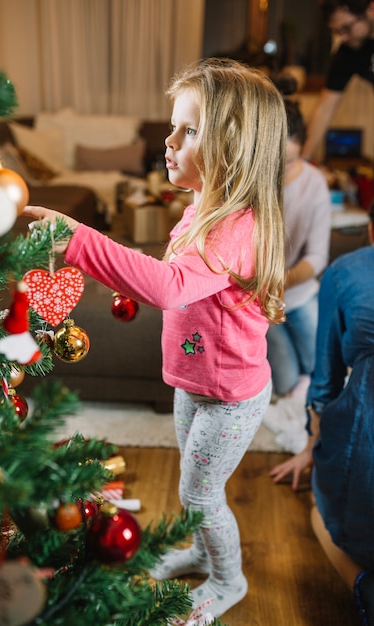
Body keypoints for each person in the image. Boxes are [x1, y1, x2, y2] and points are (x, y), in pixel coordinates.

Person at [22, 57, 287, 622]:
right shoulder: (202, 210)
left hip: (231, 398)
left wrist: (78, 241)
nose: (167, 141)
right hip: (194, 383)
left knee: (198, 493)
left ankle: (227, 577)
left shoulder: (238, 228)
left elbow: (168, 288)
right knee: (196, 490)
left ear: (233, 146)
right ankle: (198, 548)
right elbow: (165, 277)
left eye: (188, 130)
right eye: (173, 126)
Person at [269, 199, 374, 626]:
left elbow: (326, 382)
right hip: (283, 299)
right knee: (285, 368)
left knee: (319, 510)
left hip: (297, 294)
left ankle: (363, 585)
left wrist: (316, 446)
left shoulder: (346, 271)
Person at [267, 99, 331, 399]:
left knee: (322, 370)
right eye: (277, 160)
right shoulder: (255, 182)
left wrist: (285, 281)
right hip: (261, 302)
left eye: (290, 161)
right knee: (286, 382)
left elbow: (317, 256)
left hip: (300, 292)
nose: (283, 168)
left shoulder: (315, 184)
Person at [301, 0, 374, 161]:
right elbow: (324, 109)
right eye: (337, 31)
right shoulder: (348, 53)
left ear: (371, 8)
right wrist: (302, 162)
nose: (343, 37)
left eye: (346, 28)